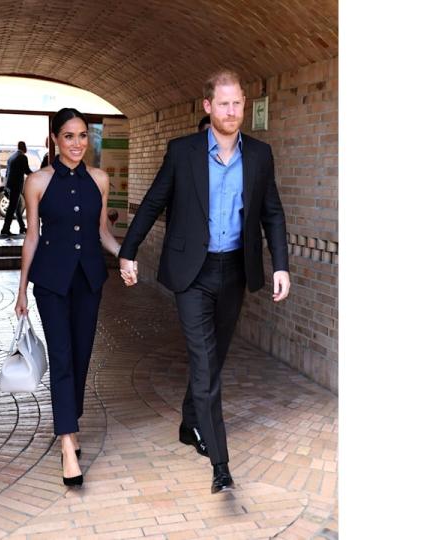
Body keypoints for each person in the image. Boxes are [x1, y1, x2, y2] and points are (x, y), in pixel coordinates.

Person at [118, 69, 291, 494]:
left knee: (214, 359)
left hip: (234, 270)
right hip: (191, 273)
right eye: (223, 103)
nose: (231, 111)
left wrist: (281, 265)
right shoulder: (183, 152)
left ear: (244, 104)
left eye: (238, 103)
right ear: (208, 106)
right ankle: (221, 464)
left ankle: (188, 421)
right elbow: (155, 201)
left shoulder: (261, 155)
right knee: (205, 364)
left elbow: (272, 212)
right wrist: (128, 250)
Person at [15, 107, 123, 486]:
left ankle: (69, 425)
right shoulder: (37, 181)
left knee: (80, 357)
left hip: (89, 280)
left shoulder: (100, 179)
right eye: (68, 136)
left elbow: (101, 232)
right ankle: (66, 445)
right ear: (55, 140)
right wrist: (22, 288)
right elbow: (31, 237)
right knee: (61, 357)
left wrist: (123, 255)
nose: (77, 144)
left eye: (82, 136)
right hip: (51, 282)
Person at [0, 141, 33, 235]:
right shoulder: (22, 157)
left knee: (17, 208)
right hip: (15, 186)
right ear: (24, 147)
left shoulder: (11, 157)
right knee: (12, 208)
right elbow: (27, 170)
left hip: (9, 185)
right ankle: (5, 229)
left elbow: (7, 173)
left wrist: (5, 187)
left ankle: (22, 227)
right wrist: (36, 176)